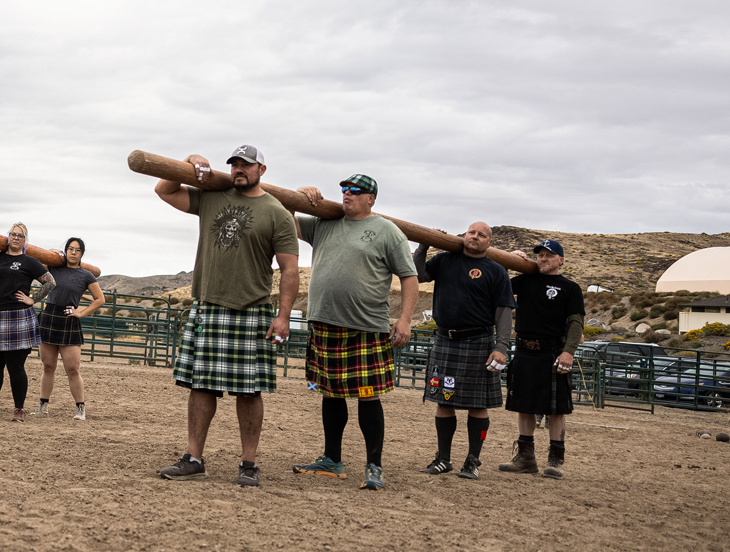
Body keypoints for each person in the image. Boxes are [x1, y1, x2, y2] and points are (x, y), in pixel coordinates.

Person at [154, 145, 299, 487]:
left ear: (261, 169)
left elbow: (289, 269)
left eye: (246, 165)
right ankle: (193, 458)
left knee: (249, 392)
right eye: (234, 164)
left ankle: (248, 463)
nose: (238, 169)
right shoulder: (211, 197)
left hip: (253, 308)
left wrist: (284, 316)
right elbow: (164, 190)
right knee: (200, 386)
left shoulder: (277, 212)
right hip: (209, 305)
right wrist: (186, 163)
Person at [289, 175, 419, 491]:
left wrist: (404, 320)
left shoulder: (388, 231)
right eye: (344, 190)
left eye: (355, 191)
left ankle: (374, 466)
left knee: (367, 396)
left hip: (366, 326)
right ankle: (332, 460)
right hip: (325, 323)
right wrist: (296, 197)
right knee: (330, 393)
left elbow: (409, 276)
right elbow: (283, 220)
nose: (347, 194)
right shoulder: (325, 222)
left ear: (371, 198)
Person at [413, 222, 515, 479]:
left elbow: (503, 312)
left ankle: (472, 461)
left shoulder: (496, 271)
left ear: (489, 243)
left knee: (477, 404)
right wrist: (423, 245)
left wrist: (501, 347)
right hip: (444, 339)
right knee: (442, 400)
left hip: (478, 343)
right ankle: (443, 459)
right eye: (472, 232)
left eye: (482, 235)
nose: (476, 237)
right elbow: (418, 274)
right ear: (464, 235)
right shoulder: (445, 259)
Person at [499, 240, 583, 479]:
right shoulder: (524, 281)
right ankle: (525, 459)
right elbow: (497, 285)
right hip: (525, 350)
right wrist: (507, 260)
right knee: (523, 406)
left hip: (553, 351)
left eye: (549, 255)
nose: (543, 258)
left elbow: (576, 323)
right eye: (540, 255)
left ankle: (556, 461)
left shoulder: (570, 287)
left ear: (561, 260)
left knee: (555, 409)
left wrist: (568, 352)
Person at [0, 223, 55, 422]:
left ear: (25, 240)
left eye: (20, 235)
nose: (15, 238)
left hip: (18, 316)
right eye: (12, 234)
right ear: (8, 236)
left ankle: (19, 409)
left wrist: (33, 299)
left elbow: (50, 281)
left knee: (16, 365)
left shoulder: (29, 262)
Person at [33, 237, 105, 420]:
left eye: (77, 250)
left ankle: (80, 409)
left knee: (72, 368)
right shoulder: (54, 267)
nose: (73, 252)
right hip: (49, 316)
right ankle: (43, 406)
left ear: (82, 254)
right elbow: (36, 263)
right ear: (65, 251)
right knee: (48, 366)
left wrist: (81, 313)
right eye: (70, 249)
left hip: (68, 318)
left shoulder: (86, 275)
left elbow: (100, 299)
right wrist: (48, 252)